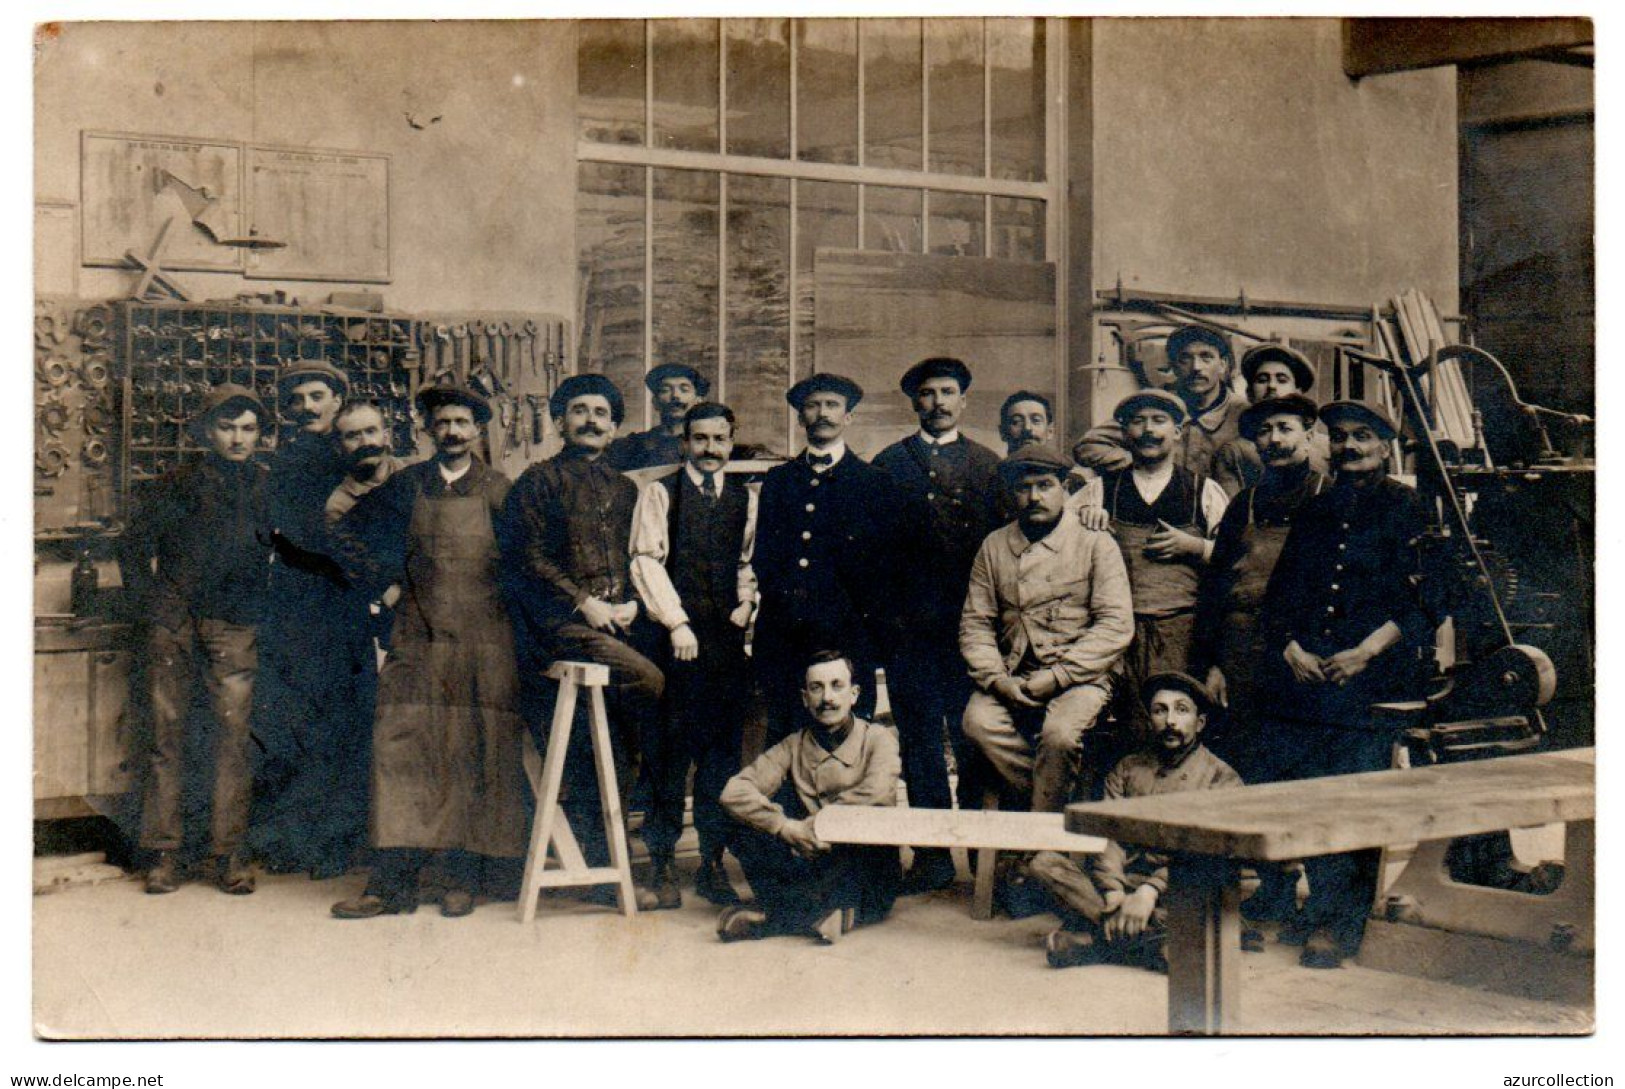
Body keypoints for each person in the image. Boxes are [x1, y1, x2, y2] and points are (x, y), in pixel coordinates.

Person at [330, 384, 530, 919]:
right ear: (427, 431)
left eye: (463, 422)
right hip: (417, 640)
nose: (453, 432)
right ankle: (390, 883)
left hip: (484, 643)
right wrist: (384, 582)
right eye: (442, 423)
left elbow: (523, 565)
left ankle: (458, 876)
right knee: (401, 752)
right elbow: (342, 531)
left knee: (472, 752)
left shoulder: (500, 489)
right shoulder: (406, 485)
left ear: (479, 431)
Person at [1257, 400, 1433, 968]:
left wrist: (1365, 652)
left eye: (1362, 437)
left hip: (1372, 678)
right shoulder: (1317, 509)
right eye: (1339, 437)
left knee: (1353, 792)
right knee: (1300, 786)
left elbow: (1430, 600)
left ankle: (1340, 922)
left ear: (1386, 447)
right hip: (1307, 674)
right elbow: (1279, 595)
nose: (1349, 447)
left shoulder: (1409, 508)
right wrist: (1290, 648)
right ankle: (1318, 901)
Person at [502, 373, 664, 909]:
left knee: (616, 743)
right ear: (559, 421)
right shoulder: (537, 481)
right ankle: (619, 830)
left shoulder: (627, 489)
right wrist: (584, 603)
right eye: (579, 410)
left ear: (615, 426)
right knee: (647, 680)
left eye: (601, 412)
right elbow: (528, 561)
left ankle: (611, 859)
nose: (591, 420)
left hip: (618, 621)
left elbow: (640, 556)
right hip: (559, 630)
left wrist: (634, 603)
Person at [117, 383, 272, 895]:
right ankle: (163, 853)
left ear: (259, 435)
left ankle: (228, 855)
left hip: (234, 624)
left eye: (248, 429)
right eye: (227, 427)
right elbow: (133, 548)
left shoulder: (266, 487)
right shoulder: (173, 484)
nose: (237, 438)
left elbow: (285, 554)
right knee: (167, 735)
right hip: (174, 622)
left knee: (233, 739)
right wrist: (154, 610)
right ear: (207, 430)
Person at [1190, 393, 1324, 931]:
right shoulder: (1244, 502)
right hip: (1244, 650)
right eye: (1263, 431)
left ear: (1309, 432)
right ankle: (1270, 887)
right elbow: (1216, 588)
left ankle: (1318, 896)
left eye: (1284, 428)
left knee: (1306, 770)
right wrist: (1215, 663)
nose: (1273, 440)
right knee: (1256, 768)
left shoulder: (1328, 496)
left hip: (1301, 652)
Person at [871, 357, 1002, 894]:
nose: (938, 402)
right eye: (927, 394)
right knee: (919, 744)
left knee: (972, 738)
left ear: (964, 401)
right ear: (914, 403)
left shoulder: (989, 466)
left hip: (970, 631)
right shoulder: (887, 465)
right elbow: (874, 554)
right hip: (908, 635)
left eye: (948, 392)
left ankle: (978, 849)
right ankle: (931, 857)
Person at [629, 401, 759, 908]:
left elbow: (748, 561)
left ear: (731, 442)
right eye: (699, 439)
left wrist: (748, 602)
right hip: (673, 642)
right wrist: (676, 621)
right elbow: (645, 561)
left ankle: (710, 863)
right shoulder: (661, 492)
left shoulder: (744, 500)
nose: (709, 449)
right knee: (668, 754)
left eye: (719, 440)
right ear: (684, 443)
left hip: (725, 646)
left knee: (720, 758)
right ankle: (661, 865)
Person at [251, 358, 375, 879]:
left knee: (343, 720)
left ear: (336, 402)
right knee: (289, 721)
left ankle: (337, 842)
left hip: (341, 600)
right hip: (292, 600)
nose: (306, 407)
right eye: (296, 399)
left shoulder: (357, 457)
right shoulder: (278, 463)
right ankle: (288, 838)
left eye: (316, 397)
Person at [960, 445, 1133, 814]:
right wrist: (997, 679)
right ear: (1011, 493)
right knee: (977, 722)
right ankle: (1052, 809)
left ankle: (1043, 847)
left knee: (1059, 736)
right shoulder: (994, 545)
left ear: (1066, 488)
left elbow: (1116, 624)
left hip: (1082, 675)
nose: (1034, 496)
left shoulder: (1094, 541)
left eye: (1045, 485)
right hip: (1014, 672)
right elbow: (976, 624)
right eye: (1024, 487)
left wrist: (1059, 676)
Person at [1033, 672, 1243, 970]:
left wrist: (1150, 891)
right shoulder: (1128, 768)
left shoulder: (1222, 778)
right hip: (1124, 884)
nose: (1170, 720)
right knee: (1045, 864)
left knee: (1213, 889)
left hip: (1179, 889)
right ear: (1149, 720)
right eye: (1160, 710)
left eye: (1181, 710)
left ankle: (1097, 942)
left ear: (1200, 723)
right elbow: (1108, 835)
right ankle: (1152, 944)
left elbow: (1207, 851)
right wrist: (1114, 890)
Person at [716, 650, 903, 944]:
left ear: (854, 694)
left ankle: (776, 916)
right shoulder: (794, 744)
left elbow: (877, 793)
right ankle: (824, 915)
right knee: (742, 825)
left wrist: (815, 826)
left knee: (867, 845)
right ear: (805, 698)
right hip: (811, 857)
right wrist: (786, 827)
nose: (826, 697)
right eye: (816, 688)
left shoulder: (878, 738)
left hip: (860, 861)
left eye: (836, 686)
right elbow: (734, 791)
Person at [752, 373, 899, 745]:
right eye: (813, 406)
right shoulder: (778, 481)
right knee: (785, 734)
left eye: (832, 405)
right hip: (786, 635)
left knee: (848, 739)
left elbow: (882, 572)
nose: (823, 414)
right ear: (801, 417)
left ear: (848, 417)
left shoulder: (873, 483)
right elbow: (764, 559)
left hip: (848, 636)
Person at [1079, 390, 1228, 738]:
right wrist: (1083, 524)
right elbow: (1058, 551)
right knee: (1117, 734)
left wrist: (1196, 546)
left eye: (1159, 421)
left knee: (1175, 730)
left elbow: (1232, 563)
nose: (1148, 430)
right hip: (1114, 636)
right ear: (1123, 432)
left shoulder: (1203, 490)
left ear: (1177, 431)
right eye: (1138, 421)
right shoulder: (1097, 491)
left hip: (1183, 636)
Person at [1073, 324, 1248, 479]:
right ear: (1173, 365)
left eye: (1206, 357)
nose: (1196, 367)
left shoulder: (1242, 411)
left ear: (1223, 364)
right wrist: (1138, 464)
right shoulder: (1154, 404)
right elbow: (1088, 445)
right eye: (1185, 358)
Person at [1210, 344, 1329, 495]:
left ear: (1298, 391)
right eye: (1262, 380)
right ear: (1250, 392)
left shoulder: (1326, 446)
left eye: (1282, 380)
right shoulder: (1234, 452)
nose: (1272, 386)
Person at [604, 362, 708, 472]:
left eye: (684, 389)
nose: (675, 396)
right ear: (655, 402)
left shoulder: (711, 444)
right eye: (665, 390)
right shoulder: (633, 446)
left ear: (698, 401)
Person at [325, 401, 408, 526]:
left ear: (386, 436)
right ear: (338, 447)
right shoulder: (339, 506)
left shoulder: (417, 472)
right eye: (353, 436)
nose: (365, 442)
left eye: (371, 431)